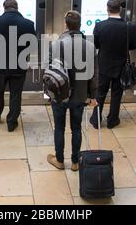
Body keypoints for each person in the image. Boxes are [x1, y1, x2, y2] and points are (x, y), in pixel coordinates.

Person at [46, 10, 98, 172]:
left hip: (60, 94)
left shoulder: (56, 44)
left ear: (66, 25)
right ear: (80, 25)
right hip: (80, 95)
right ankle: (75, 162)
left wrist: (48, 92)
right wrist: (93, 96)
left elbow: (49, 70)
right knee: (76, 128)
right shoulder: (90, 46)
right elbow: (94, 74)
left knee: (59, 128)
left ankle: (60, 160)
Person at [0, 0, 36, 132]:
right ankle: (12, 122)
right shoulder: (28, 23)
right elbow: (33, 44)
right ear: (17, 8)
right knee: (16, 95)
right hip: (19, 65)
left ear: (4, 8)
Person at [89, 0, 136, 129]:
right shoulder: (130, 27)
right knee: (117, 93)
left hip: (104, 64)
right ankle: (112, 120)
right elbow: (134, 45)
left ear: (107, 9)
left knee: (100, 92)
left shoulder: (100, 26)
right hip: (122, 66)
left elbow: (96, 44)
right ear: (120, 9)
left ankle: (96, 120)